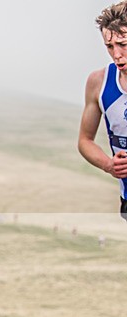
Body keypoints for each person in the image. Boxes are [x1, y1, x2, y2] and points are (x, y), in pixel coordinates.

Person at [79, 1, 127, 221]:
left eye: (123, 44)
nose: (116, 55)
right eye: (110, 46)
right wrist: (109, 165)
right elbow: (85, 140)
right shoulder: (99, 82)